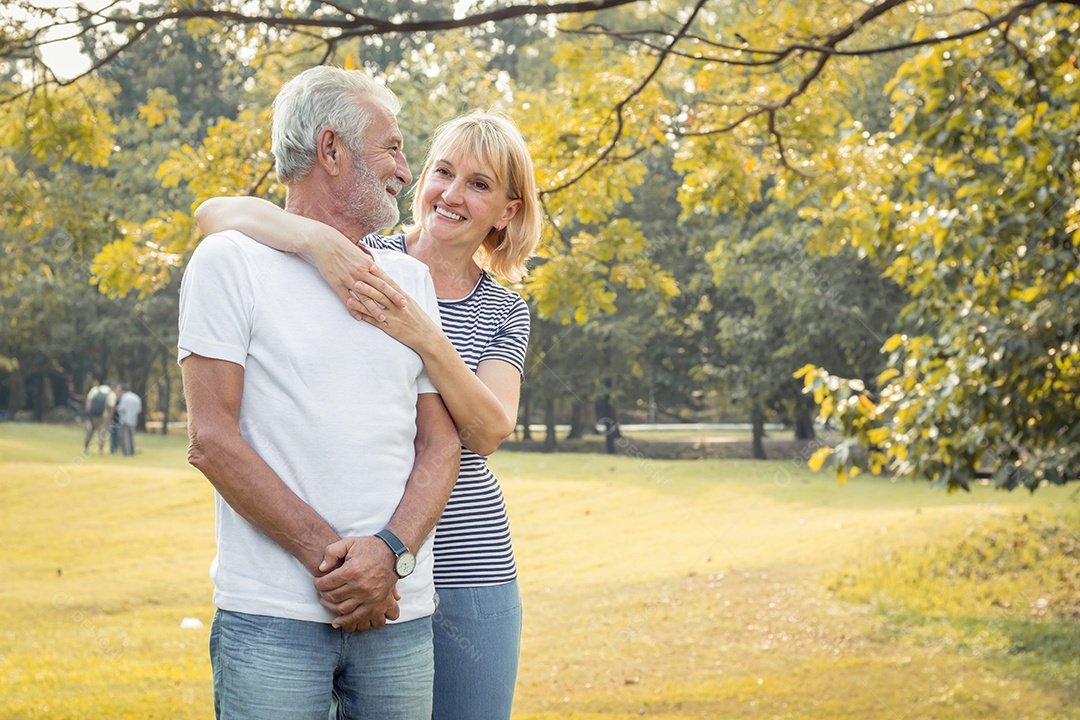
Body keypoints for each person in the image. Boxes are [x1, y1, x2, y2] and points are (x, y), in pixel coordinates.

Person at [195, 109, 543, 720]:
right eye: (443, 171)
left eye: (480, 184)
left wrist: (424, 333)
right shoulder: (368, 258)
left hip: (467, 558)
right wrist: (314, 238)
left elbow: (486, 431)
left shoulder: (503, 309)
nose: (451, 194)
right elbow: (213, 215)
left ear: (507, 212)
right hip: (361, 556)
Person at [178, 65, 461, 720]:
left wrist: (388, 555)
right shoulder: (230, 261)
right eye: (391, 144)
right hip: (272, 617)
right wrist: (339, 567)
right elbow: (211, 440)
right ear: (332, 149)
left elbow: (441, 444)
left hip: (399, 614)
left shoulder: (408, 283)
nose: (405, 166)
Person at [82, 381, 117, 456]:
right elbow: (112, 409)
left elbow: (88, 401)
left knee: (89, 432)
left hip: (92, 415)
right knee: (102, 434)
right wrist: (110, 419)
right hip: (103, 416)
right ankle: (100, 451)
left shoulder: (95, 389)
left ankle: (85, 449)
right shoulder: (111, 394)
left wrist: (87, 412)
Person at [114, 384, 142, 456]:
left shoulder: (124, 397)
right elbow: (139, 410)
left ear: (123, 391)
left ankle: (126, 452)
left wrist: (117, 409)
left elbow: (121, 409)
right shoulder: (136, 397)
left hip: (124, 420)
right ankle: (132, 451)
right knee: (132, 436)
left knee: (125, 436)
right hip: (133, 420)